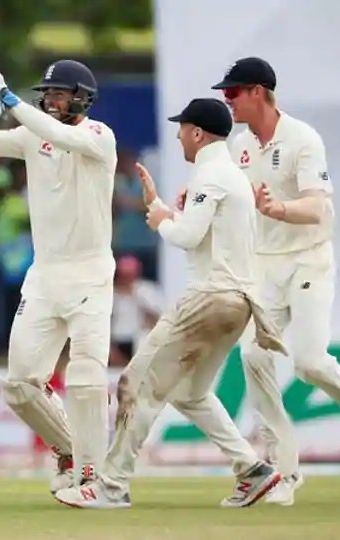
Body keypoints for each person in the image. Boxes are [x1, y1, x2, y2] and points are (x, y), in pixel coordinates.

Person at [54, 98, 287, 509]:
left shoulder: (211, 175)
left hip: (209, 297)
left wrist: (163, 222)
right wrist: (159, 207)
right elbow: (203, 231)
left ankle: (111, 486)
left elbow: (186, 237)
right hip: (238, 303)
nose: (179, 134)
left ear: (198, 133)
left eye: (183, 128)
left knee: (135, 385)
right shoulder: (228, 174)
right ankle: (252, 470)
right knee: (190, 393)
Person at [214, 57, 340, 505]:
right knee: (253, 357)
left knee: (309, 361)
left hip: (308, 259)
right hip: (265, 265)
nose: (228, 100)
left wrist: (278, 208)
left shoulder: (302, 139)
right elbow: (227, 193)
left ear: (258, 92)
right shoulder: (239, 145)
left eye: (235, 92)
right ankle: (284, 474)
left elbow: (317, 208)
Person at [0, 49, 118, 494]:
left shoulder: (100, 136)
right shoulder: (34, 135)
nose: (50, 101)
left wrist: (6, 95)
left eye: (59, 94)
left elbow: (55, 133)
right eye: (46, 94)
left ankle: (93, 475)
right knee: (19, 385)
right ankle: (71, 452)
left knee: (86, 378)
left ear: (83, 98)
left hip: (90, 276)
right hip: (45, 277)